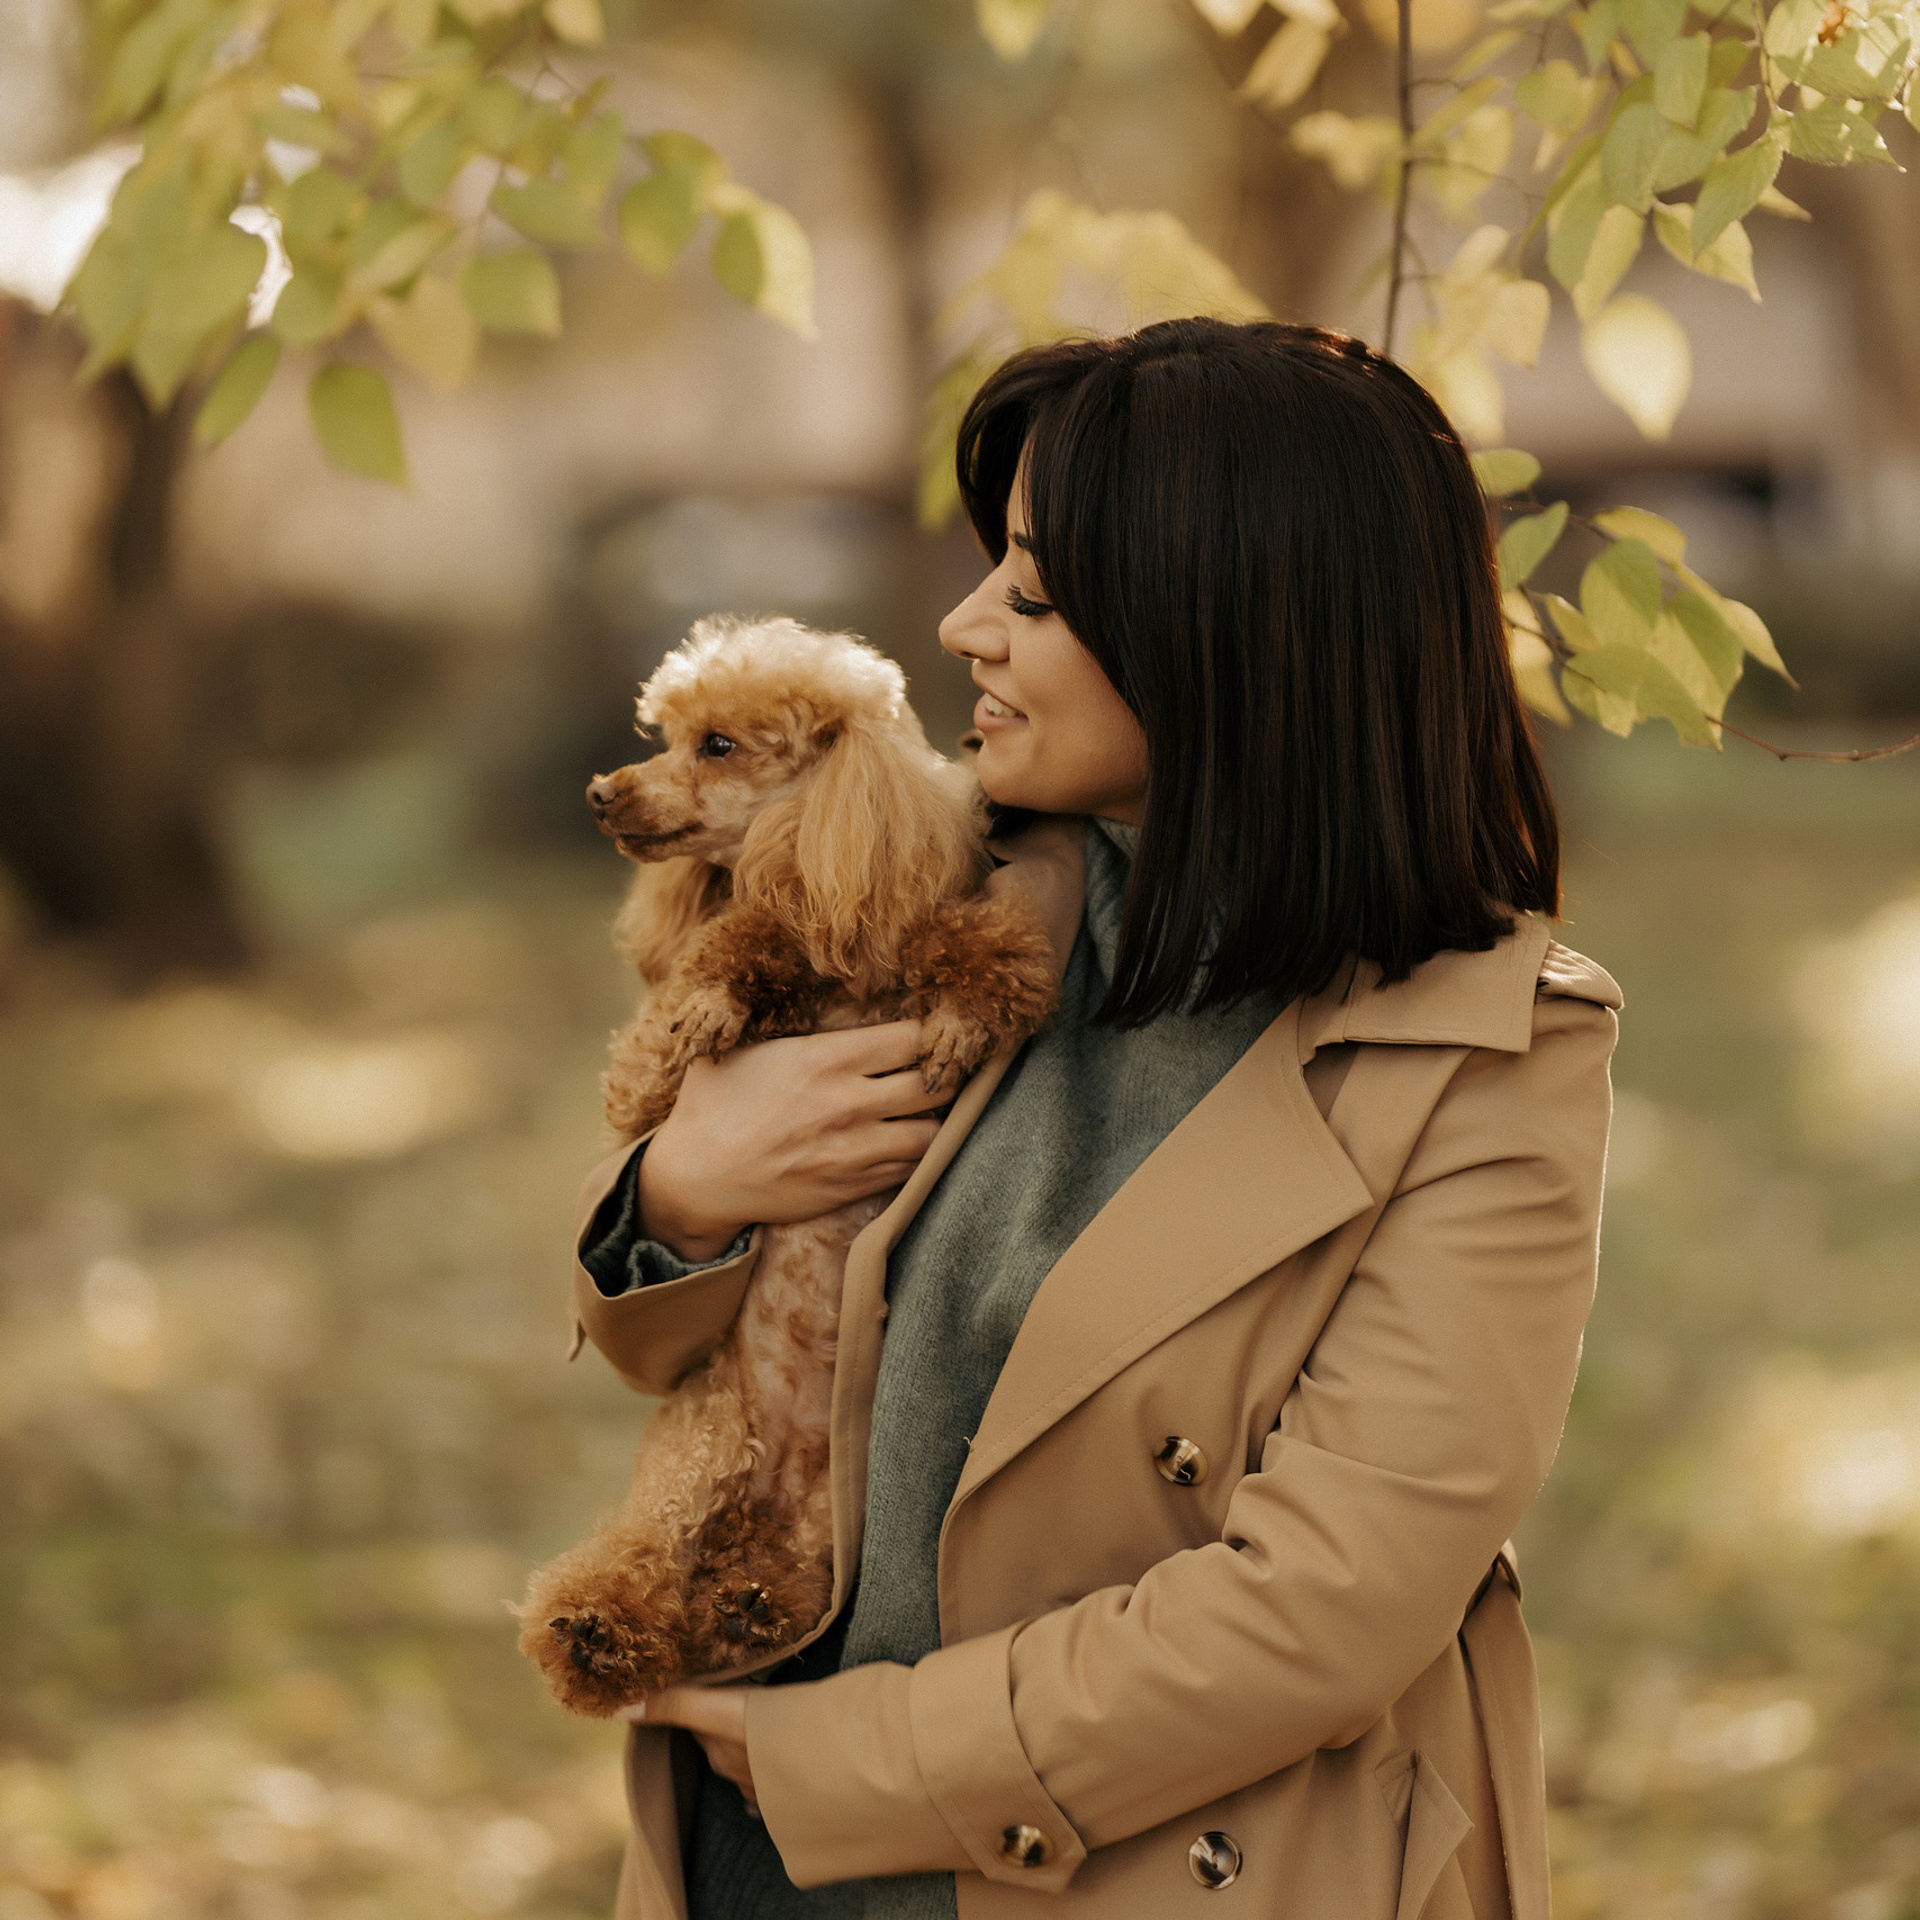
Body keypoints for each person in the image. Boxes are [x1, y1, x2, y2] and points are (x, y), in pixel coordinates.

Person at [566, 318, 1620, 1920]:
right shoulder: (937, 892)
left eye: (1038, 594)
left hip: (1138, 1866)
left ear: (1230, 632)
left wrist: (854, 1762)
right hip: (755, 1858)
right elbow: (691, 1347)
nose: (963, 623)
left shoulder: (1485, 1058)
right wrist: (685, 1189)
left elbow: (1324, 1608)